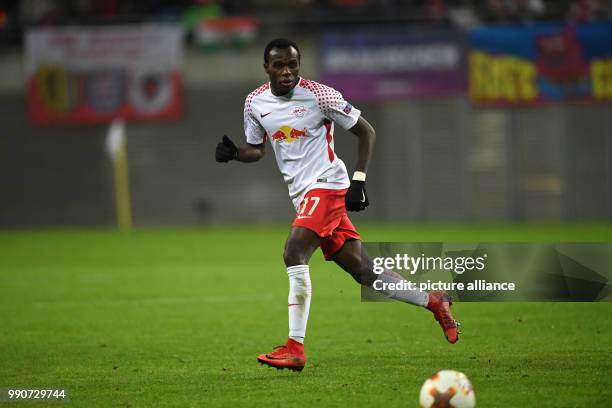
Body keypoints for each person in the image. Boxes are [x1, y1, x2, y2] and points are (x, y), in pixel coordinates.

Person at [215, 38, 459, 372]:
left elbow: (366, 132)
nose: (287, 72)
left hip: (328, 185)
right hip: (304, 197)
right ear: (266, 68)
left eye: (292, 65)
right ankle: (433, 301)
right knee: (364, 270)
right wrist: (235, 155)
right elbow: (256, 149)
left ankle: (294, 348)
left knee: (294, 252)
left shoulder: (320, 95)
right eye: (279, 66)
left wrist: (358, 180)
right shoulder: (254, 102)